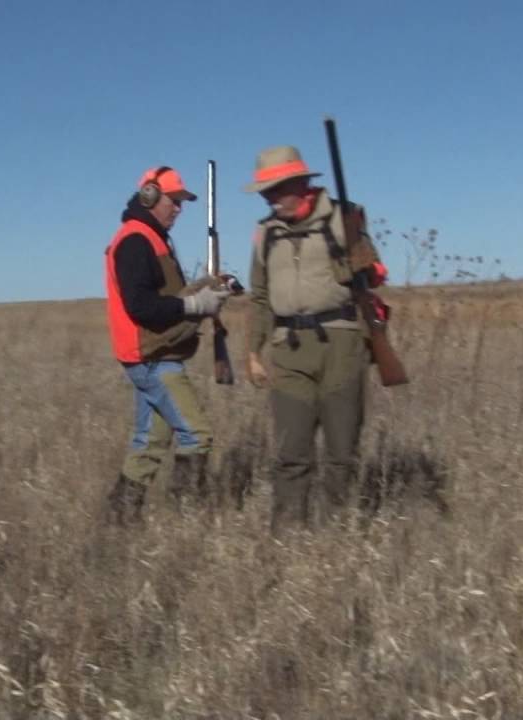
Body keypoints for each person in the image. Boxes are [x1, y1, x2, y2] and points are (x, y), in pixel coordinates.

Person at [243, 146, 387, 535]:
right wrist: (253, 352)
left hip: (341, 343)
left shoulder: (344, 218)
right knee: (291, 450)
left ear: (300, 184)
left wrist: (362, 262)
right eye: (265, 193)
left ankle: (334, 532)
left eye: (276, 190)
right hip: (288, 347)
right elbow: (259, 297)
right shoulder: (265, 233)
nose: (270, 199)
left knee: (342, 449)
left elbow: (375, 274)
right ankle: (287, 533)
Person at [104, 166, 232, 525]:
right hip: (151, 357)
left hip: (154, 354)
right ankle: (185, 520)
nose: (178, 209)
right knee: (197, 435)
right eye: (173, 201)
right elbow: (141, 306)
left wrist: (207, 290)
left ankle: (118, 520)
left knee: (149, 442)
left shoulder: (152, 237)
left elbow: (165, 297)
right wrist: (195, 305)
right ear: (149, 197)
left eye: (182, 203)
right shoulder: (135, 240)